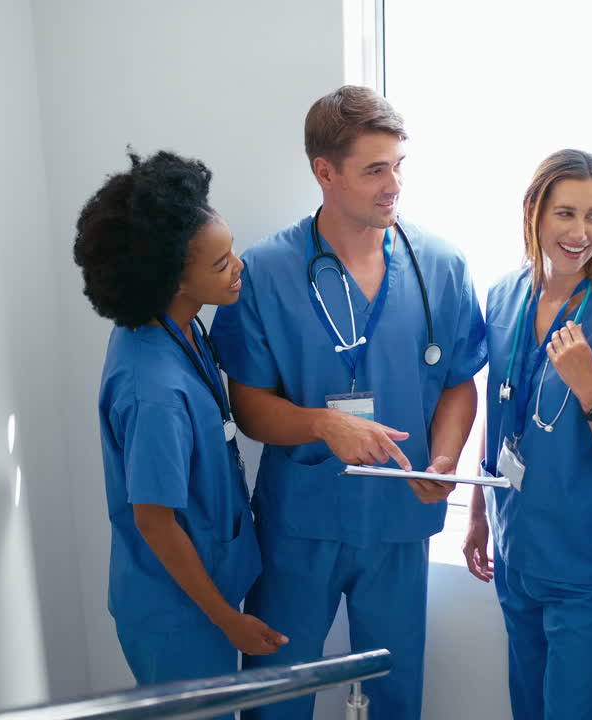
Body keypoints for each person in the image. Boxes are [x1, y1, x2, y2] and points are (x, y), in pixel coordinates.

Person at [209, 86, 487, 720]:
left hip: (397, 518)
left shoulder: (439, 266)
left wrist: (443, 460)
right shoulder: (268, 273)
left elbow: (458, 384)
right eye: (373, 170)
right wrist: (320, 425)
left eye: (398, 166)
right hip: (300, 521)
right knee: (276, 693)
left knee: (394, 688)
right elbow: (249, 407)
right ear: (324, 171)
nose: (393, 185)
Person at [74, 151, 286, 717]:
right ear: (173, 279)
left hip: (204, 590)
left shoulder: (180, 325)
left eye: (231, 250)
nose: (238, 267)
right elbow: (153, 519)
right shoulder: (155, 393)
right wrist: (228, 621)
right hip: (178, 616)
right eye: (221, 264)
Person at [463, 149, 592, 719]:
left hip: (585, 560)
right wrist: (479, 511)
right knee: (527, 704)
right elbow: (496, 407)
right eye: (566, 214)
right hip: (516, 545)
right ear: (533, 211)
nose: (581, 233)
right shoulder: (506, 294)